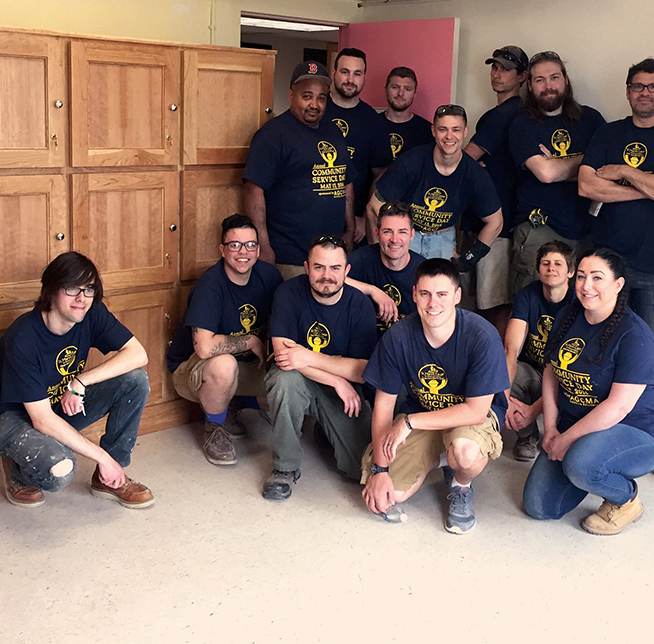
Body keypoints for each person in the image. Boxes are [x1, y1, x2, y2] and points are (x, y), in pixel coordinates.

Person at [578, 57, 654, 479]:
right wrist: (651, 183)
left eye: (653, 86)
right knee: (599, 352)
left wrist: (626, 173)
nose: (644, 92)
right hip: (606, 265)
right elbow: (587, 185)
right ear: (628, 90)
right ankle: (601, 432)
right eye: (637, 86)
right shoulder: (608, 133)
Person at [523, 248, 654, 535]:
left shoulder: (634, 335)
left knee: (581, 463)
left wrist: (566, 441)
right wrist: (551, 428)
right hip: (576, 425)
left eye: (597, 278)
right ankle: (590, 465)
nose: (586, 286)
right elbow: (552, 372)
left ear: (618, 284)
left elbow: (617, 407)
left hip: (635, 431)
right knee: (540, 508)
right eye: (581, 277)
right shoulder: (568, 316)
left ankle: (625, 499)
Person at [360, 258, 509, 534]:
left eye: (442, 294)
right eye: (425, 294)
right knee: (391, 495)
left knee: (464, 452)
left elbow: (476, 411)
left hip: (470, 419)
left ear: (457, 296)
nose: (433, 303)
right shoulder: (398, 336)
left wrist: (408, 424)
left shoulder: (482, 336)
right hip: (423, 414)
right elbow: (383, 408)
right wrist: (380, 471)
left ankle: (461, 484)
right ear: (414, 294)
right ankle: (438, 455)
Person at [0, 252, 153, 509]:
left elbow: (138, 355)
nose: (82, 298)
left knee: (135, 380)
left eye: (89, 289)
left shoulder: (91, 313)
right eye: (72, 288)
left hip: (55, 405)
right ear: (51, 290)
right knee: (59, 469)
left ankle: (110, 478)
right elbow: (42, 419)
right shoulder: (23, 337)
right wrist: (100, 456)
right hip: (13, 416)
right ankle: (17, 469)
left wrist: (80, 381)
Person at [262, 235, 378, 500]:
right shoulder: (288, 292)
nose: (327, 276)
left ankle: (326, 432)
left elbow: (363, 370)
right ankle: (284, 468)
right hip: (301, 379)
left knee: (359, 469)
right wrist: (337, 379)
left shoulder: (359, 305)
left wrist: (308, 357)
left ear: (347, 271)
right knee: (284, 380)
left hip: (340, 390)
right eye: (319, 267)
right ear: (307, 267)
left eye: (335, 268)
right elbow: (283, 356)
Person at [167, 214, 282, 466]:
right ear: (222, 249)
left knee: (287, 382)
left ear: (258, 248)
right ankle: (215, 427)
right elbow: (205, 347)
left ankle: (232, 404)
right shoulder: (210, 285)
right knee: (224, 364)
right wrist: (250, 340)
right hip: (193, 368)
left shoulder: (269, 276)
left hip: (248, 366)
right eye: (235, 245)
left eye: (250, 244)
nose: (244, 252)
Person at [243, 61, 354, 280]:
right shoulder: (273, 135)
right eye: (307, 96)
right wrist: (262, 245)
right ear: (291, 96)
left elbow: (346, 181)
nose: (315, 104)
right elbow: (253, 189)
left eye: (321, 97)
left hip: (331, 257)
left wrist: (350, 231)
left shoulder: (333, 132)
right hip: (290, 257)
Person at [509, 51, 605, 293]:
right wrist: (586, 163)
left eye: (554, 77)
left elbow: (606, 170)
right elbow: (546, 173)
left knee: (580, 309)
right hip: (540, 230)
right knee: (534, 309)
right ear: (529, 85)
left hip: (587, 233)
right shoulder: (522, 125)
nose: (548, 86)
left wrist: (564, 165)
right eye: (539, 80)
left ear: (566, 80)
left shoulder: (591, 120)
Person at [368, 104, 503, 268]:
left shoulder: (474, 174)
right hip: (407, 237)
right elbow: (374, 207)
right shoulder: (411, 162)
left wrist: (468, 260)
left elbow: (495, 222)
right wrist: (380, 254)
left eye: (456, 129)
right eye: (443, 129)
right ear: (433, 131)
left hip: (442, 240)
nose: (449, 136)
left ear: (465, 132)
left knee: (438, 292)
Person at [462, 46, 528, 330]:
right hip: (494, 217)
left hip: (494, 223)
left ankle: (492, 363)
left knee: (492, 301)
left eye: (506, 69)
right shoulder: (516, 112)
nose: (497, 74)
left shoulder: (503, 115)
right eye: (495, 67)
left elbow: (463, 160)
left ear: (522, 76)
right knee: (489, 299)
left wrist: (472, 167)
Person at [504, 241, 576, 462]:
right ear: (538, 270)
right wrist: (503, 397)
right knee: (509, 377)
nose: (551, 268)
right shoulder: (527, 295)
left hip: (564, 378)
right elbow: (511, 349)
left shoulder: (578, 303)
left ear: (571, 272)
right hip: (533, 372)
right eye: (545, 263)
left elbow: (564, 369)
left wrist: (533, 411)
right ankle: (527, 437)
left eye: (558, 264)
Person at [327, 48, 393, 243]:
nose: (350, 79)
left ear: (364, 77)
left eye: (357, 74)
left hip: (354, 224)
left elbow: (381, 174)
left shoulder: (373, 122)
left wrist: (365, 219)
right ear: (334, 73)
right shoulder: (316, 111)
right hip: (311, 216)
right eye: (344, 72)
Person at [346, 201, 426, 336]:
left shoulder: (423, 270)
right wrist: (372, 290)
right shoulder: (361, 259)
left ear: (412, 235)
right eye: (387, 232)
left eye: (402, 232)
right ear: (377, 234)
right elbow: (331, 278)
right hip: (365, 346)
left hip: (406, 348)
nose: (394, 239)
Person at [381, 67, 432, 160]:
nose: (400, 93)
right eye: (395, 87)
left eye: (407, 89)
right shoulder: (371, 124)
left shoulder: (428, 132)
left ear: (414, 93)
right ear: (386, 89)